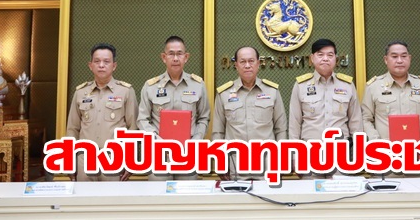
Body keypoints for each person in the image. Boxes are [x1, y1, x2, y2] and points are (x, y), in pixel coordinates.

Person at [138, 36, 210, 180]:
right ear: (164, 57)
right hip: (159, 154)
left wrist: (196, 140)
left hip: (188, 154)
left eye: (179, 54)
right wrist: (156, 139)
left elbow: (204, 117)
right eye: (171, 54)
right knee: (158, 193)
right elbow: (142, 119)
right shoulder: (151, 86)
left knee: (186, 193)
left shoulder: (198, 85)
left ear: (186, 57)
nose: (175, 58)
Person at [212, 46, 287, 179]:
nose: (247, 65)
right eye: (243, 61)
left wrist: (282, 160)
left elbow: (281, 129)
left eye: (251, 61)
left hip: (267, 165)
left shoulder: (272, 91)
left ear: (258, 63)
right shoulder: (223, 93)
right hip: (235, 165)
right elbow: (218, 132)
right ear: (236, 65)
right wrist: (219, 162)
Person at [66, 43, 138, 181]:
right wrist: (69, 161)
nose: (101, 65)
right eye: (97, 61)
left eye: (106, 61)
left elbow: (133, 128)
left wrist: (131, 161)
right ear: (90, 65)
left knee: (112, 195)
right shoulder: (80, 92)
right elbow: (72, 129)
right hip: (85, 158)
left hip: (114, 158)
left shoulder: (126, 91)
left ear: (114, 66)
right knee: (83, 194)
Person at [361, 41, 420, 141]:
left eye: (404, 56)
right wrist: (377, 142)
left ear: (409, 58)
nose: (400, 60)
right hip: (384, 148)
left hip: (416, 148)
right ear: (386, 60)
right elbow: (365, 119)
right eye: (394, 56)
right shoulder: (373, 87)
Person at [289, 38, 363, 142]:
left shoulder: (347, 85)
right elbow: (294, 122)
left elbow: (356, 121)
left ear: (336, 58)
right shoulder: (301, 85)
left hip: (340, 147)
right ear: (312, 58)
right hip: (310, 147)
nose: (325, 59)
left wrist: (358, 147)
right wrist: (294, 149)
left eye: (330, 55)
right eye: (320, 55)